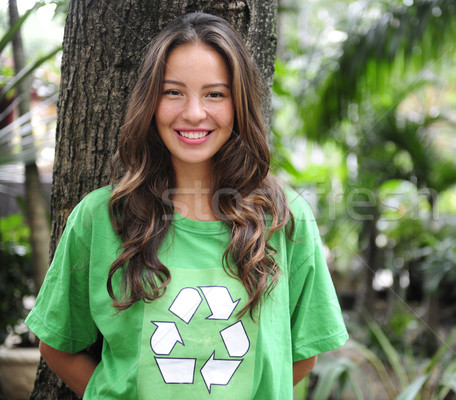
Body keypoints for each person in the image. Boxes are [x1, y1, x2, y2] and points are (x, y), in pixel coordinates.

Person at [25, 12, 348, 399]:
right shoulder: (99, 219)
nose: (194, 113)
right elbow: (57, 344)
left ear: (239, 104)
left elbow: (301, 354)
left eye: (215, 94)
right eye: (173, 92)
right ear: (150, 102)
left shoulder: (284, 219)